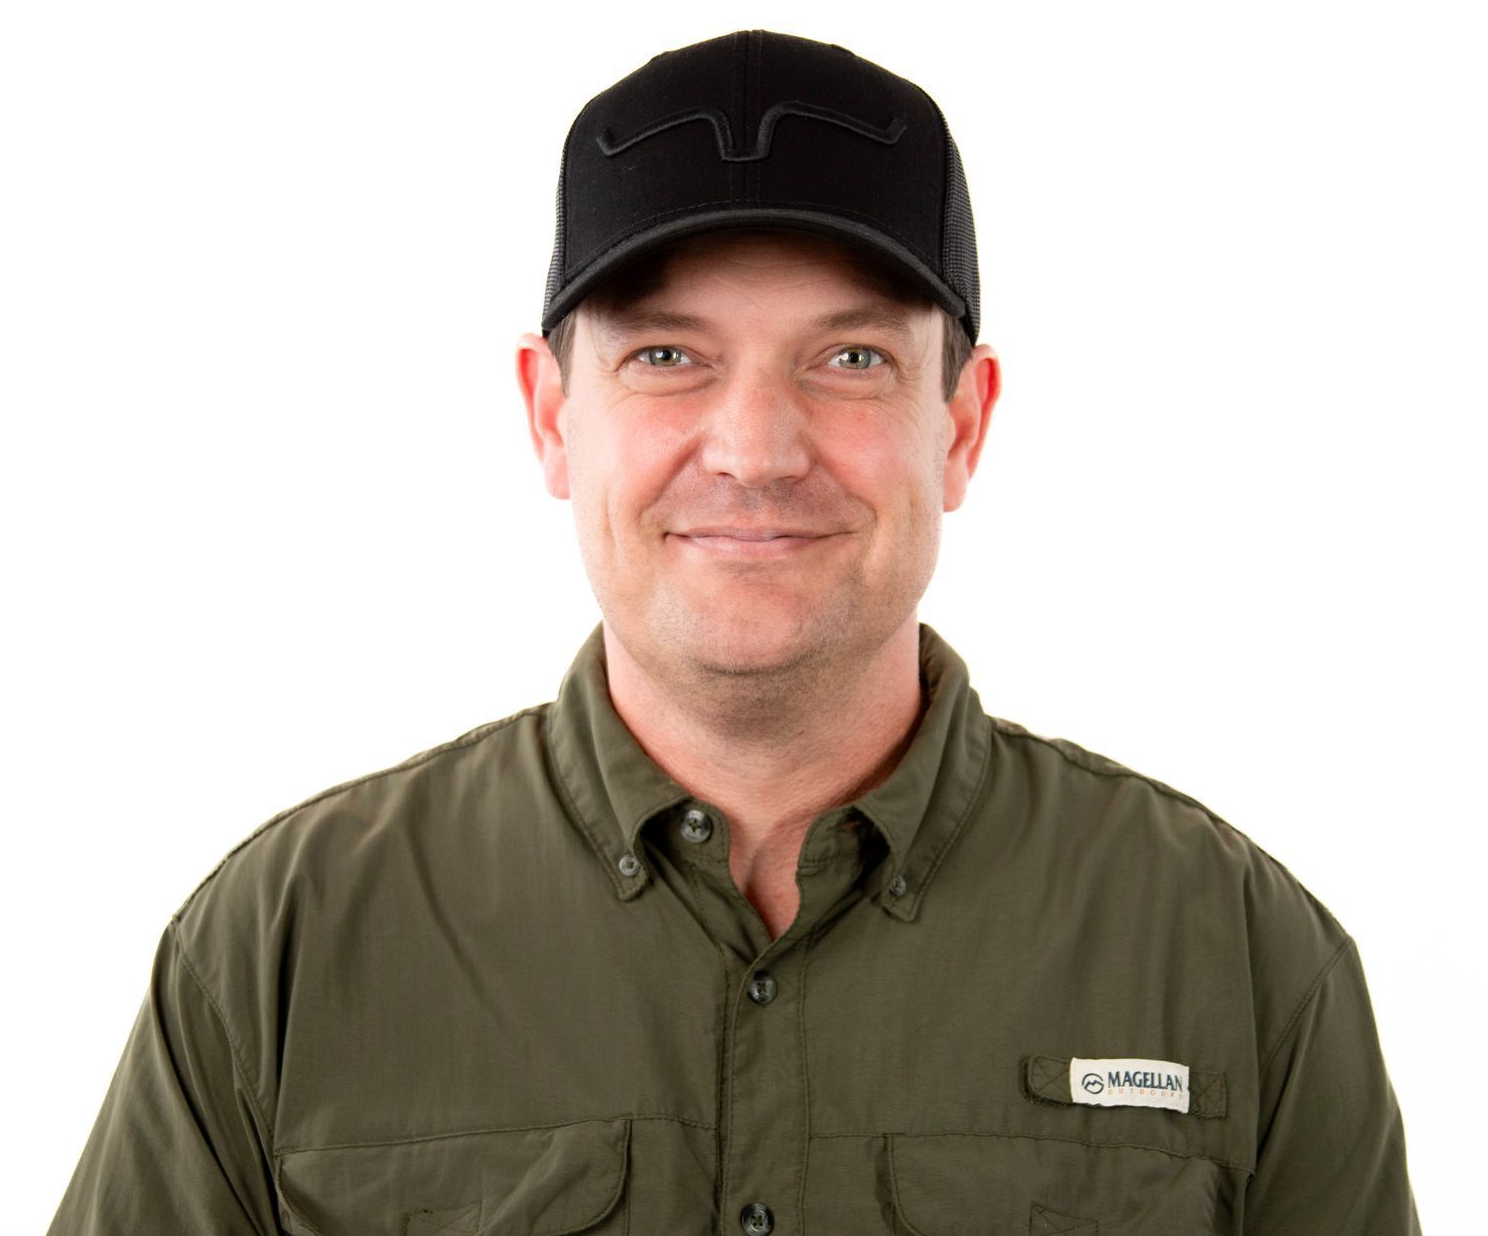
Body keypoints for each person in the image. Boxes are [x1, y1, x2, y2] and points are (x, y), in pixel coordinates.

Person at [48, 29, 1420, 1236]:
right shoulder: (282, 953)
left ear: (963, 422)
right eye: (666, 355)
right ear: (548, 417)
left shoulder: (1237, 958)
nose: (755, 448)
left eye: (850, 358)